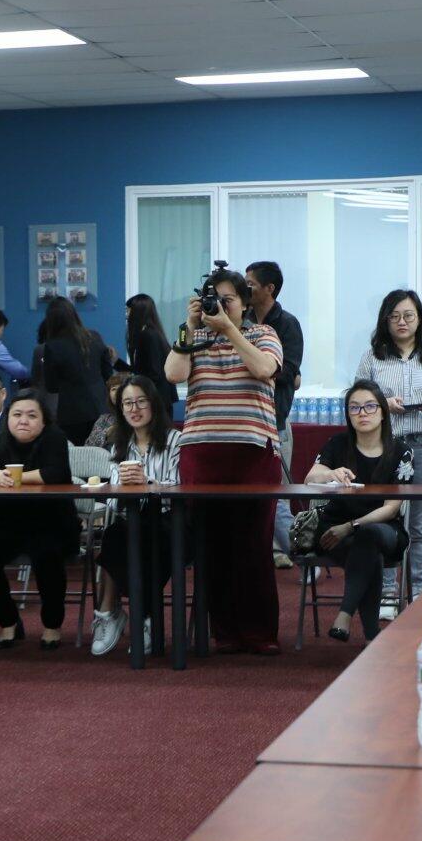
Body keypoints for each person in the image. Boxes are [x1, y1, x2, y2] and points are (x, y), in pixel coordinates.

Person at [164, 265, 283, 655]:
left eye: (227, 299)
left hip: (253, 453)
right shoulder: (194, 337)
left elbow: (263, 368)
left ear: (244, 303)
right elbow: (173, 374)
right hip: (202, 453)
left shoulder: (263, 333)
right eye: (212, 299)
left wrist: (229, 330)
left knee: (254, 545)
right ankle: (224, 632)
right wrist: (189, 325)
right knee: (212, 546)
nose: (219, 306)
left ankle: (259, 632)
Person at [353, 289, 422, 599]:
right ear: (385, 321)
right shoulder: (373, 356)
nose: (401, 322)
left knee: (420, 522)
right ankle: (387, 590)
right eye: (394, 316)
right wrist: (382, 403)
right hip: (386, 447)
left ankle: (418, 589)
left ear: (419, 319)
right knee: (387, 516)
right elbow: (357, 397)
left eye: (408, 315)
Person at [304, 380, 412, 644]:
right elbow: (310, 478)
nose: (362, 413)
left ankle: (345, 614)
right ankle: (372, 636)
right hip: (334, 529)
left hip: (383, 528)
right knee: (369, 551)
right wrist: (330, 473)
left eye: (369, 406)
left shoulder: (401, 451)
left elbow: (391, 509)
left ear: (383, 412)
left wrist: (350, 526)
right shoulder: (337, 443)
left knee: (369, 535)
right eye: (354, 408)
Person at [0, 390, 78, 650]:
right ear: (8, 418)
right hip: (10, 524)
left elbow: (55, 473)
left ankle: (52, 625)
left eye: (32, 415)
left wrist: (13, 477)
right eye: (17, 414)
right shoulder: (0, 442)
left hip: (53, 523)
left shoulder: (54, 437)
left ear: (43, 421)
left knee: (47, 555)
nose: (23, 421)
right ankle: (8, 622)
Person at [90, 374, 181, 656]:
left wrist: (147, 483)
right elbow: (114, 501)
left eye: (141, 401)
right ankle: (118, 615)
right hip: (132, 520)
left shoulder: (175, 439)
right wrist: (119, 490)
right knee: (115, 535)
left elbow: (179, 486)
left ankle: (137, 616)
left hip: (169, 521)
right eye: (127, 403)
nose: (134, 409)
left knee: (146, 541)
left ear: (154, 404)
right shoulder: (119, 444)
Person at [243, 262, 303, 564]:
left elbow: (290, 371)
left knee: (276, 497)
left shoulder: (287, 324)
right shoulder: (240, 321)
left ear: (270, 288)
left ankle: (304, 555)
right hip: (243, 422)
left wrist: (258, 367)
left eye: (251, 284)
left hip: (273, 419)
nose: (245, 289)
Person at [32, 295, 113, 447]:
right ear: (74, 314)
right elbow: (108, 373)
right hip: (100, 406)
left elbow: (51, 386)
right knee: (102, 453)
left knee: (77, 456)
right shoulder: (94, 336)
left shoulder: (52, 346)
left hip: (72, 413)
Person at [117, 293, 177, 415]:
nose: (127, 315)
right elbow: (141, 371)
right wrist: (116, 362)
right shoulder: (152, 333)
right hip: (158, 399)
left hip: (156, 401)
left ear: (137, 312)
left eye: (128, 311)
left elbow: (153, 374)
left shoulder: (148, 335)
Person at [83, 373, 130, 451]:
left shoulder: (138, 416)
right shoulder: (104, 419)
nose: (117, 392)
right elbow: (87, 450)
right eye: (113, 389)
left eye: (121, 388)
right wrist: (107, 434)